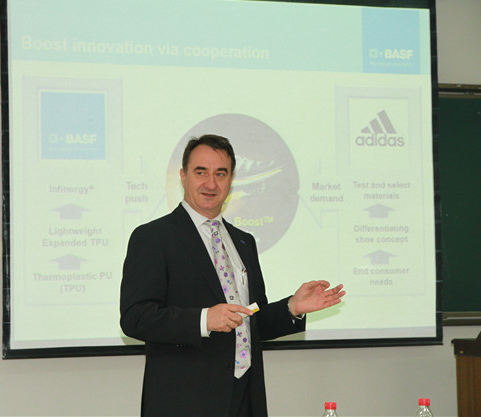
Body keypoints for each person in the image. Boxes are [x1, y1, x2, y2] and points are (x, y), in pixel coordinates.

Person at [120, 134, 345, 417]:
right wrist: (204, 319)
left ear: (231, 180)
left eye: (220, 173)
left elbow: (251, 317)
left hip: (244, 398)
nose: (211, 184)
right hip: (185, 402)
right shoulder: (153, 237)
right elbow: (135, 317)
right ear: (183, 176)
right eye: (201, 172)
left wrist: (292, 307)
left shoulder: (243, 241)